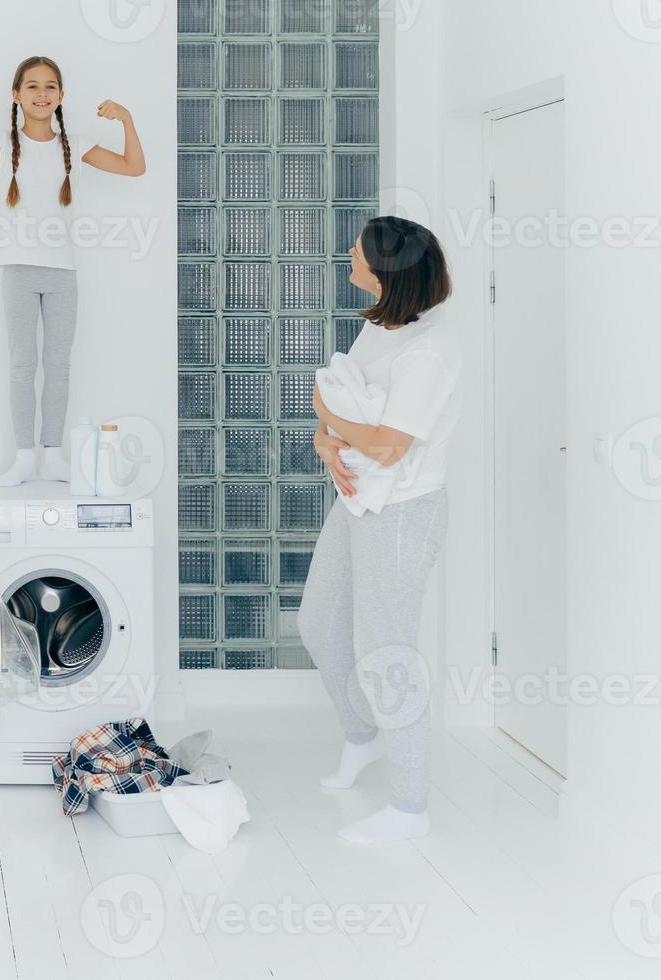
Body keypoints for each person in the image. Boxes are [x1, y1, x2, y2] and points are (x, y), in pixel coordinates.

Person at [298, 216, 462, 844]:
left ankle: (410, 805)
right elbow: (352, 410)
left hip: (403, 511)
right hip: (358, 498)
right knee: (318, 620)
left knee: (385, 650)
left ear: (385, 271)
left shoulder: (432, 349)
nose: (349, 253)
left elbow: (391, 444)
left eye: (359, 251)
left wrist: (322, 410)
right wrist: (324, 438)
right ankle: (364, 736)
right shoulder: (380, 323)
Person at [0, 55, 146, 486]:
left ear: (61, 96)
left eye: (49, 86)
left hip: (62, 272)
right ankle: (24, 456)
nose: (41, 93)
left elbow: (134, 166)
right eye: (31, 86)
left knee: (59, 366)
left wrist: (128, 119)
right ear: (16, 95)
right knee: (22, 365)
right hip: (18, 270)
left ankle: (53, 456)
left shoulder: (76, 145)